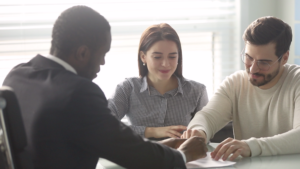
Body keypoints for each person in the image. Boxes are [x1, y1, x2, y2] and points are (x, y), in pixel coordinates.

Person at [3, 6, 208, 169]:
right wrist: (183, 155)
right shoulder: (78, 93)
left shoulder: (17, 76)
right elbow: (125, 150)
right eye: (103, 54)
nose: (102, 63)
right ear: (83, 53)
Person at [181, 16, 300, 161]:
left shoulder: (297, 81)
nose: (253, 68)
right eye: (249, 57)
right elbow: (207, 116)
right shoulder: (235, 83)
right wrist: (198, 131)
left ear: (285, 58)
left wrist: (251, 146)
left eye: (264, 62)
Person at [108, 23, 208, 139]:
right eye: (157, 57)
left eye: (172, 57)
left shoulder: (197, 91)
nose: (166, 64)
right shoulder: (127, 88)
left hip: (182, 156)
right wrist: (151, 131)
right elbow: (105, 124)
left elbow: (205, 134)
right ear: (143, 57)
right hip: (138, 156)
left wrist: (198, 136)